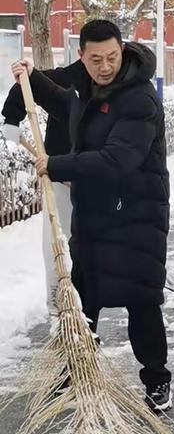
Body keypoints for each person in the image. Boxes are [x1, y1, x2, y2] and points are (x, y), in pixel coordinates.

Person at [11, 20, 172, 412]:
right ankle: (76, 374)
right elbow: (72, 106)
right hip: (97, 214)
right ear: (82, 57)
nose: (105, 65)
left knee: (141, 301)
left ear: (123, 50)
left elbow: (119, 159)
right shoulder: (92, 89)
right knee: (83, 300)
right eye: (96, 58)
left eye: (112, 57)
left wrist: (57, 164)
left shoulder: (139, 99)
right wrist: (36, 80)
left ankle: (157, 381)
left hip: (136, 216)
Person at [1, 60, 86, 317]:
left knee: (90, 242)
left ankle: (89, 293)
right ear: (83, 52)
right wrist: (11, 119)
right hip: (60, 179)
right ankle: (55, 297)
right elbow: (27, 83)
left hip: (94, 181)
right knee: (56, 239)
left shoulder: (113, 86)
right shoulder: (64, 77)